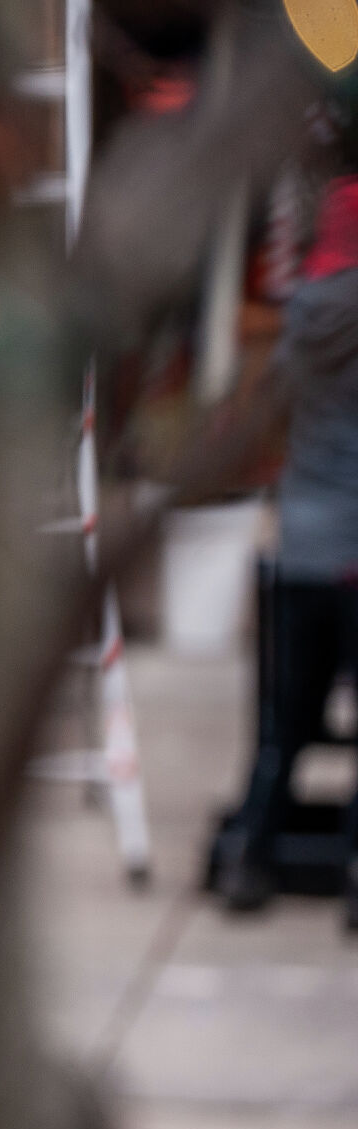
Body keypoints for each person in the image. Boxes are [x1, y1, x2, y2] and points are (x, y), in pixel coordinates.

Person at [216, 173, 358, 929]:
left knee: (286, 725)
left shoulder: (305, 312)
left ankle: (250, 857)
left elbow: (270, 409)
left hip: (303, 546)